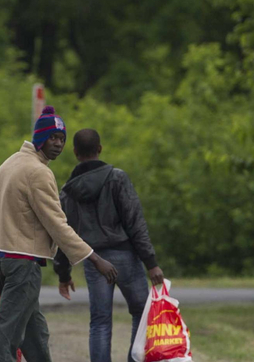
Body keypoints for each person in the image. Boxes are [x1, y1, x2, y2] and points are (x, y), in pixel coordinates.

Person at [0, 106, 118, 362]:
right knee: (5, 340)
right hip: (22, 264)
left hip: (2, 260)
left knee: (35, 335)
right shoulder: (39, 172)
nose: (58, 144)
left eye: (62, 139)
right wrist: (94, 258)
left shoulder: (10, 163)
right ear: (39, 137)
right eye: (52, 137)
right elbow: (57, 224)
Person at [54, 128, 164, 362]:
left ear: (75, 152)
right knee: (142, 314)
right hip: (126, 257)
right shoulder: (117, 178)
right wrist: (151, 263)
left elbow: (64, 235)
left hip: (95, 262)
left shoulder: (68, 191)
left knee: (100, 322)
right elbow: (135, 223)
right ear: (100, 149)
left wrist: (63, 273)